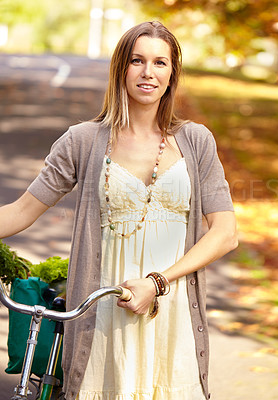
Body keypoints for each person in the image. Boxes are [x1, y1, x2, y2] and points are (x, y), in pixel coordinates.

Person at [0, 21, 237, 400]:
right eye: (137, 61)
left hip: (171, 311)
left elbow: (225, 233)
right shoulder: (83, 141)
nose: (148, 72)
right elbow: (21, 211)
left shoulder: (195, 141)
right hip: (105, 312)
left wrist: (156, 283)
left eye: (160, 62)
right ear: (120, 69)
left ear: (172, 72)